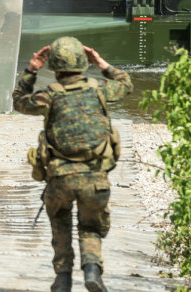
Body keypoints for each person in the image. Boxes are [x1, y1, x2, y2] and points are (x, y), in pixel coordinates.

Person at [12, 36, 132, 292]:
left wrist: (31, 70)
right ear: (83, 62)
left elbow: (19, 101)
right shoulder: (100, 89)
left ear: (54, 67)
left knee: (61, 224)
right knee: (90, 227)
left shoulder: (48, 96)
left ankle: (63, 278)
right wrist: (101, 62)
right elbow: (126, 84)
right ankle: (91, 270)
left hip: (60, 179)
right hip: (94, 178)